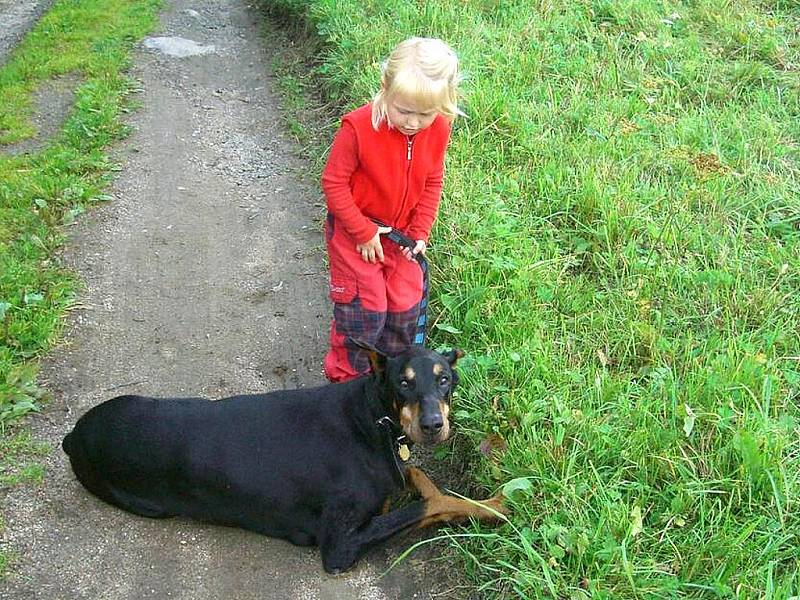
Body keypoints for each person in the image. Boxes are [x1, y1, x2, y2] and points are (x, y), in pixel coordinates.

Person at [321, 37, 462, 382]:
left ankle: (394, 378)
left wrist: (420, 232)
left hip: (403, 238)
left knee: (403, 307)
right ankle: (347, 383)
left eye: (425, 114)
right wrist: (363, 231)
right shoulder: (357, 128)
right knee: (365, 311)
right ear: (385, 88)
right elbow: (333, 184)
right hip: (359, 234)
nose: (413, 122)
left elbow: (433, 181)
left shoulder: (439, 128)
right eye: (404, 111)